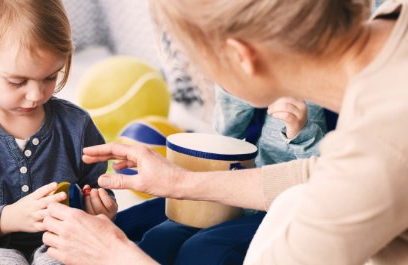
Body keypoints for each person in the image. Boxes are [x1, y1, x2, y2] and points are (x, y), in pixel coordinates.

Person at [42, 0, 408, 264]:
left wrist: (113, 256)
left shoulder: (379, 143)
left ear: (240, 56)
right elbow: (320, 178)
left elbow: (361, 172)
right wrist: (182, 182)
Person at [0, 1, 117, 264]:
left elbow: (95, 188)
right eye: (18, 81)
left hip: (58, 245)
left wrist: (101, 208)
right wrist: (7, 218)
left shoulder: (77, 126)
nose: (36, 95)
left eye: (50, 77)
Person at [137, 91, 328, 264]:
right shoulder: (245, 77)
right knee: (159, 238)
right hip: (237, 189)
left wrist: (301, 131)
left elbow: (323, 177)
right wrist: (232, 96)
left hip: (278, 205)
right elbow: (226, 139)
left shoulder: (305, 95)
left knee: (203, 251)